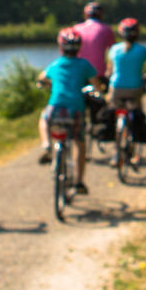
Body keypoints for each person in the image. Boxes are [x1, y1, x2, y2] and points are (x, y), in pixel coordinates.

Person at [36, 27, 96, 193]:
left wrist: (47, 84)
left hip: (55, 109)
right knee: (79, 143)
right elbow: (96, 84)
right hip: (76, 109)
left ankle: (47, 145)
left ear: (60, 47)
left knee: (43, 118)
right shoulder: (84, 65)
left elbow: (41, 79)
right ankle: (79, 182)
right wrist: (96, 91)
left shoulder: (55, 65)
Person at [104, 17, 146, 168]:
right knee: (136, 116)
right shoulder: (143, 51)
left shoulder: (114, 50)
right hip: (136, 88)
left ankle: (116, 154)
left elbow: (109, 71)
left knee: (115, 112)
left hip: (116, 89)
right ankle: (134, 152)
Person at [72, 1, 115, 86]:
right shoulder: (106, 29)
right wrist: (110, 70)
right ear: (101, 15)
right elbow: (114, 52)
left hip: (79, 73)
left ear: (85, 14)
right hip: (100, 74)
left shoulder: (76, 29)